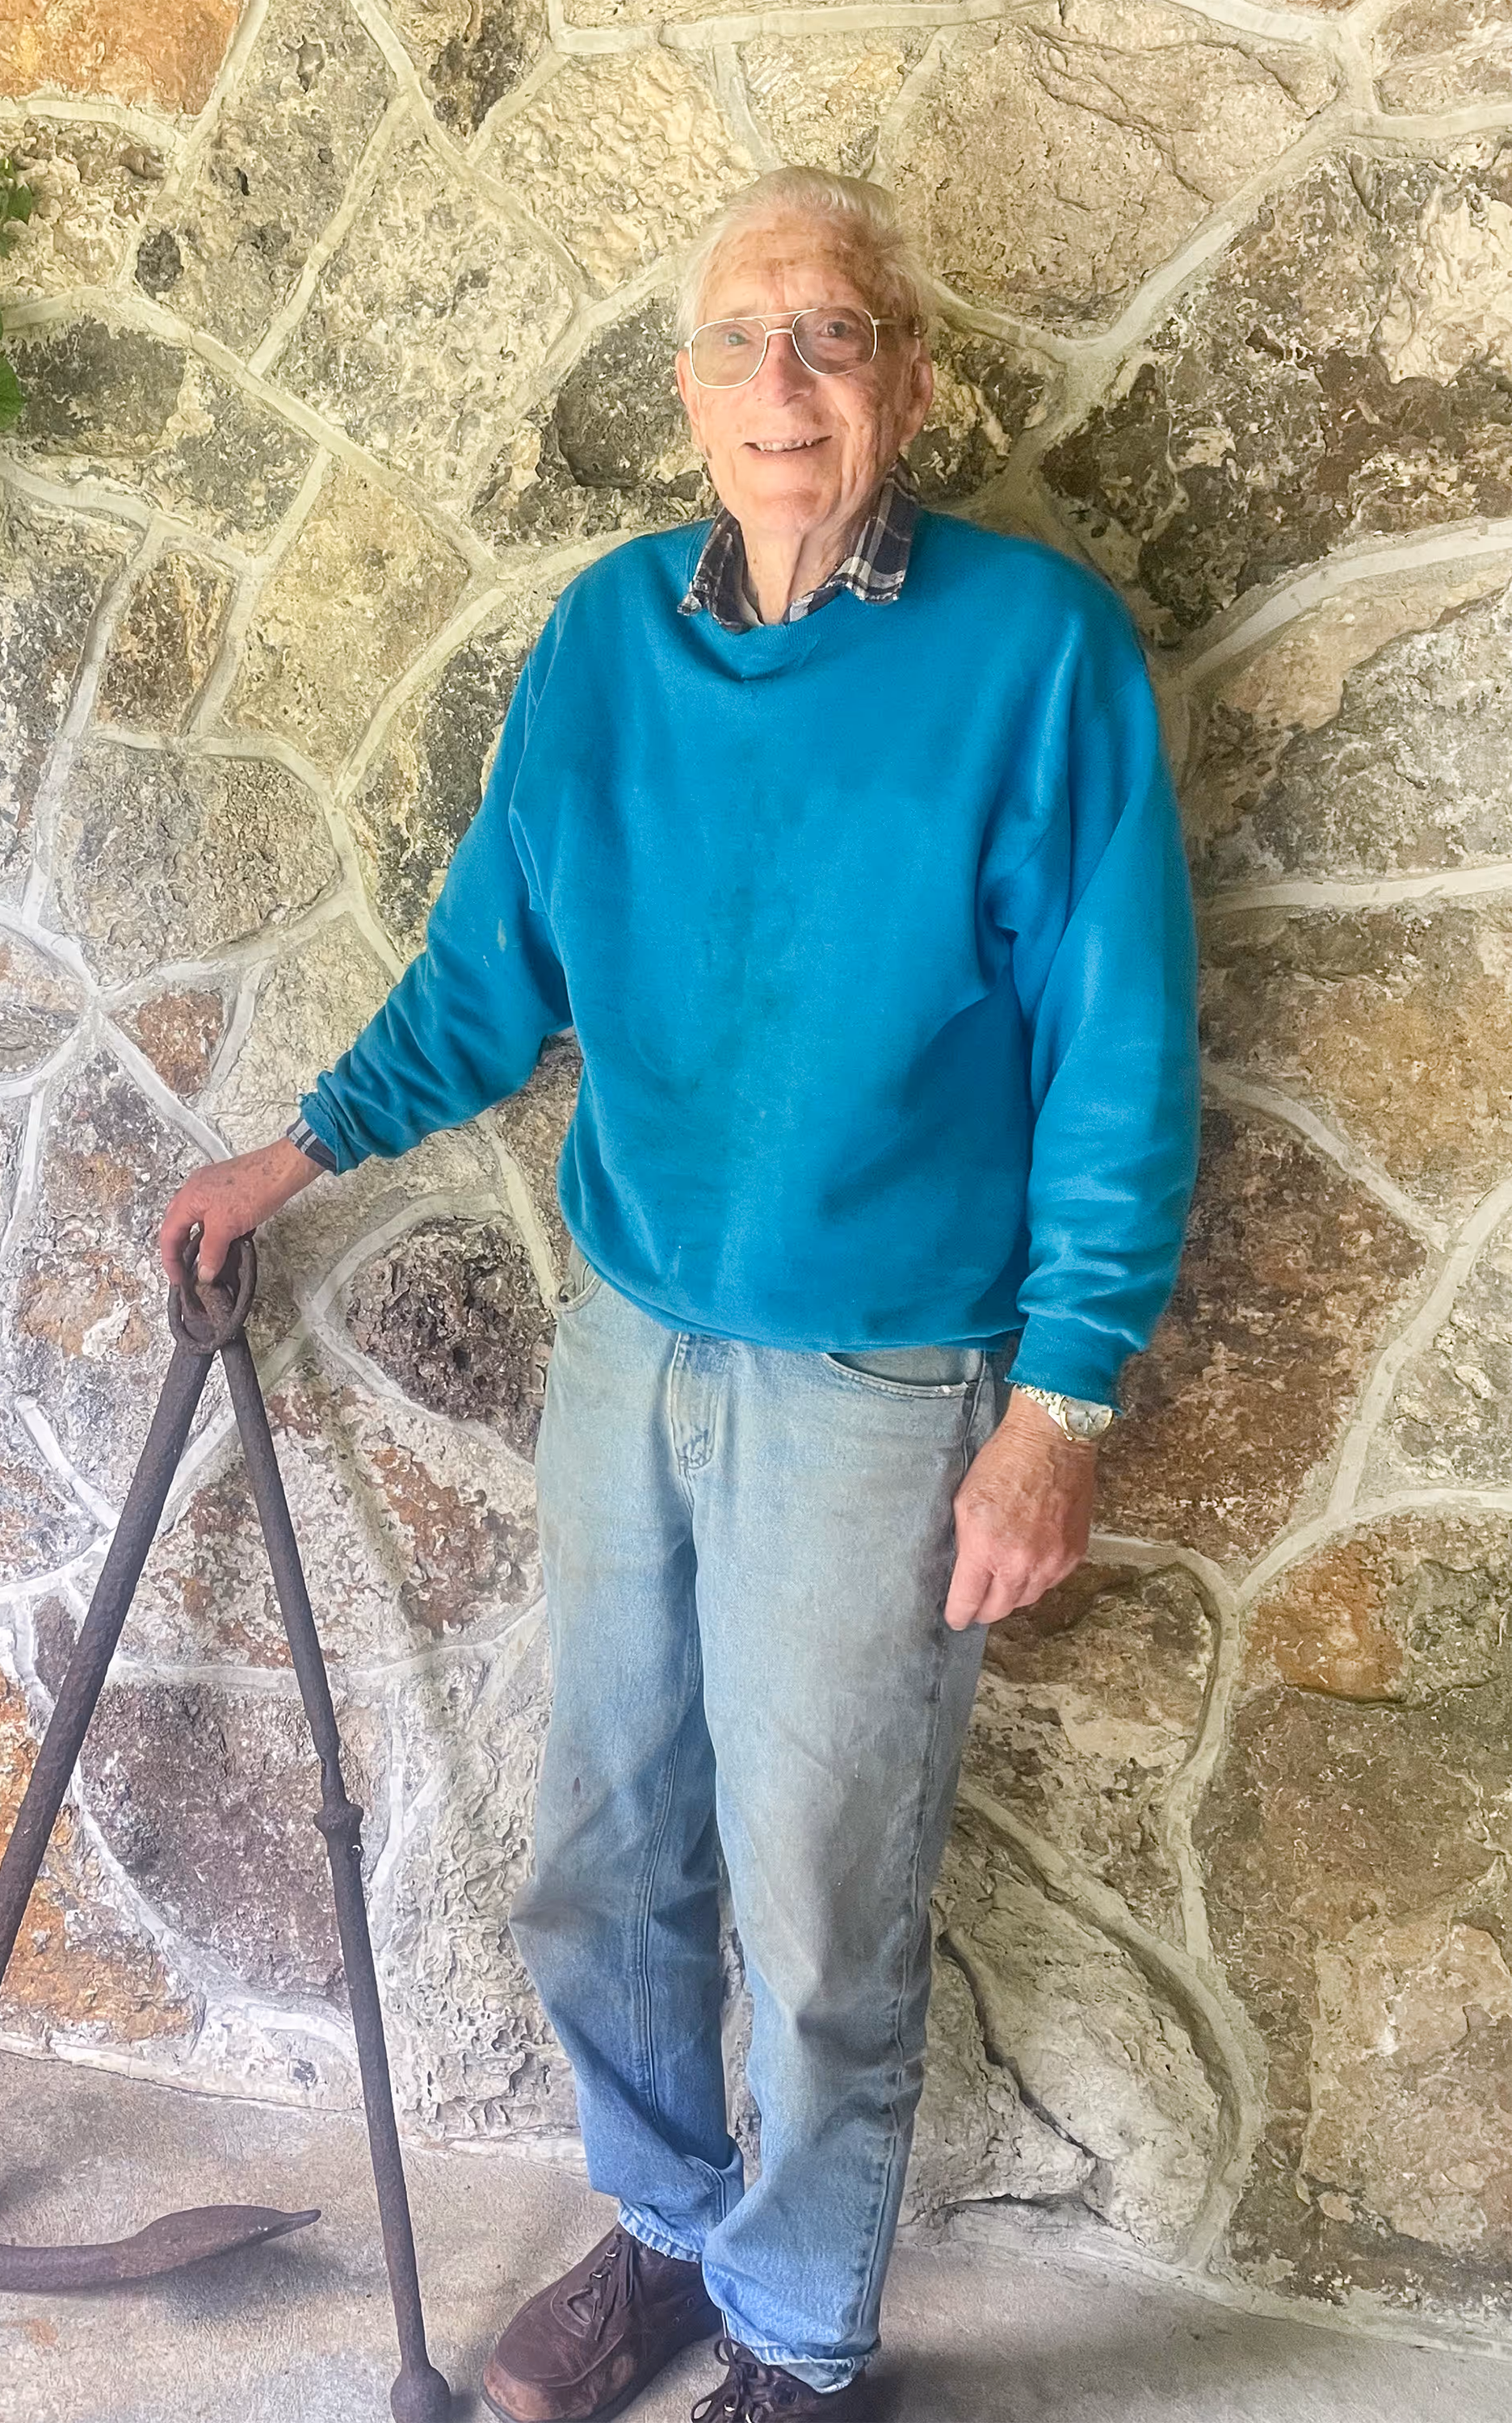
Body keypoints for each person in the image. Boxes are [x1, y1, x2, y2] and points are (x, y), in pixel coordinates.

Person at [160, 166, 1199, 2423]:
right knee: (602, 1853)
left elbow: (1120, 1054)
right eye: (740, 342)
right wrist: (294, 1147)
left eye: (830, 336)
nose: (784, 384)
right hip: (634, 1337)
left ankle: (808, 2339)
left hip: (880, 1374)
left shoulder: (1039, 655)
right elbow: (484, 977)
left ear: (911, 381)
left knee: (825, 1903)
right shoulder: (611, 641)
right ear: (684, 396)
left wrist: (1064, 1407)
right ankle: (660, 2241)